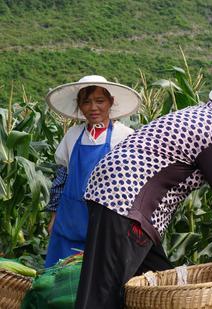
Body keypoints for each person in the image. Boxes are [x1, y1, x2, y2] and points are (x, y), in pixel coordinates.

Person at [75, 69, 212, 308]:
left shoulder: (205, 119)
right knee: (102, 295)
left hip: (120, 200)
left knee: (162, 288)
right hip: (127, 205)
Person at [44, 75, 140, 268]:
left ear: (111, 102)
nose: (93, 107)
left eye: (100, 101)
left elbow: (134, 184)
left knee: (97, 275)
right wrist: (54, 215)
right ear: (79, 106)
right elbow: (62, 177)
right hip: (69, 220)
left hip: (105, 222)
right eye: (86, 102)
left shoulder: (125, 136)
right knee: (61, 276)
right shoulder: (73, 135)